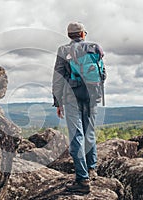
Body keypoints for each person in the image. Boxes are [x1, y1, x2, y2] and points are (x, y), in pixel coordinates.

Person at [52, 22, 106, 193]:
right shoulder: (94, 48)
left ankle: (82, 180)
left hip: (72, 98)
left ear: (69, 35)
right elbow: (103, 74)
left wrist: (58, 102)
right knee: (89, 132)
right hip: (92, 96)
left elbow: (58, 78)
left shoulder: (63, 50)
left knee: (77, 135)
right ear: (83, 34)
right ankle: (92, 169)